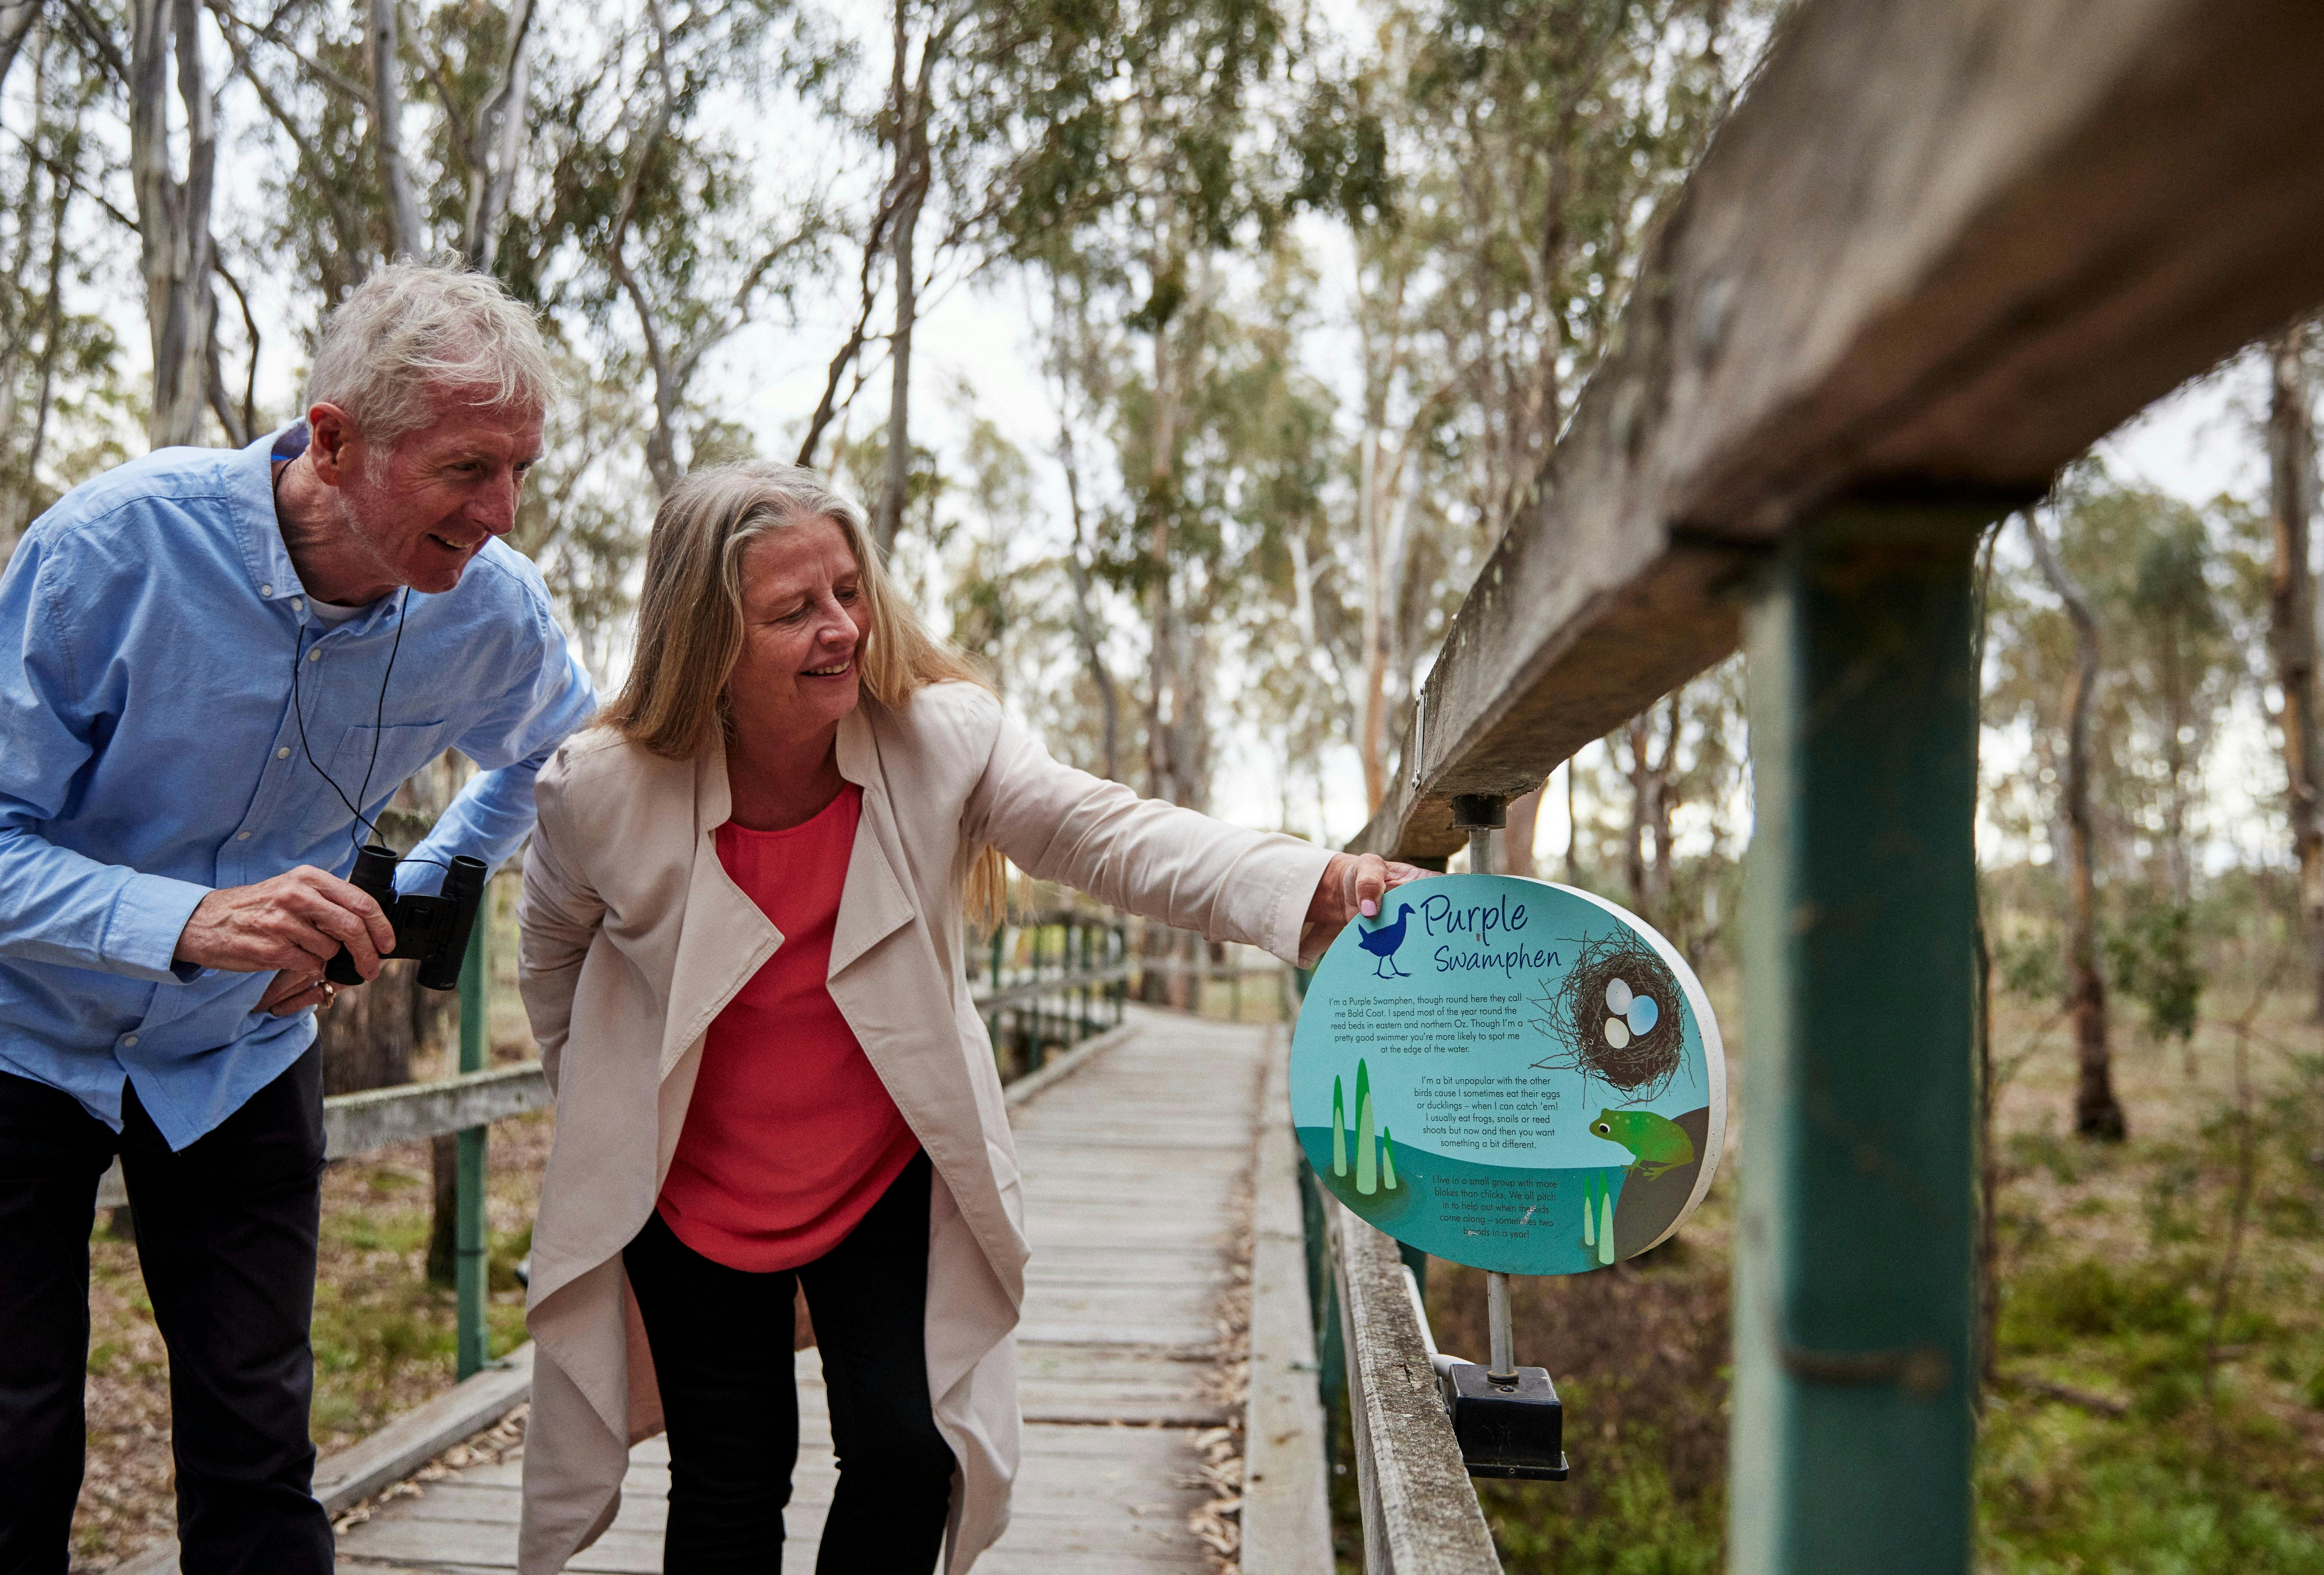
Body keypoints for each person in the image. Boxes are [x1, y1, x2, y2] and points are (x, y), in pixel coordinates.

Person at [513, 460, 1423, 1574]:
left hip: (878, 1174)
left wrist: (1314, 884)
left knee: (908, 1455)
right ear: (707, 640)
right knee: (730, 1476)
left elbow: (1105, 833)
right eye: (794, 611)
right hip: (689, 1193)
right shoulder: (599, 790)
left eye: (850, 590)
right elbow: (552, 961)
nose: (842, 628)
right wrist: (606, 1115)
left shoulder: (941, 740)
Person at [0, 259, 597, 1571]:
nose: (501, 513)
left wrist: (406, 897)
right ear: (332, 442)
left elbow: (559, 755)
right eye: (467, 469)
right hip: (23, 1038)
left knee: (259, 1449)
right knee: (14, 1440)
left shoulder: (492, 611)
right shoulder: (111, 551)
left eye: (520, 470)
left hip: (239, 1053)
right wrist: (187, 921)